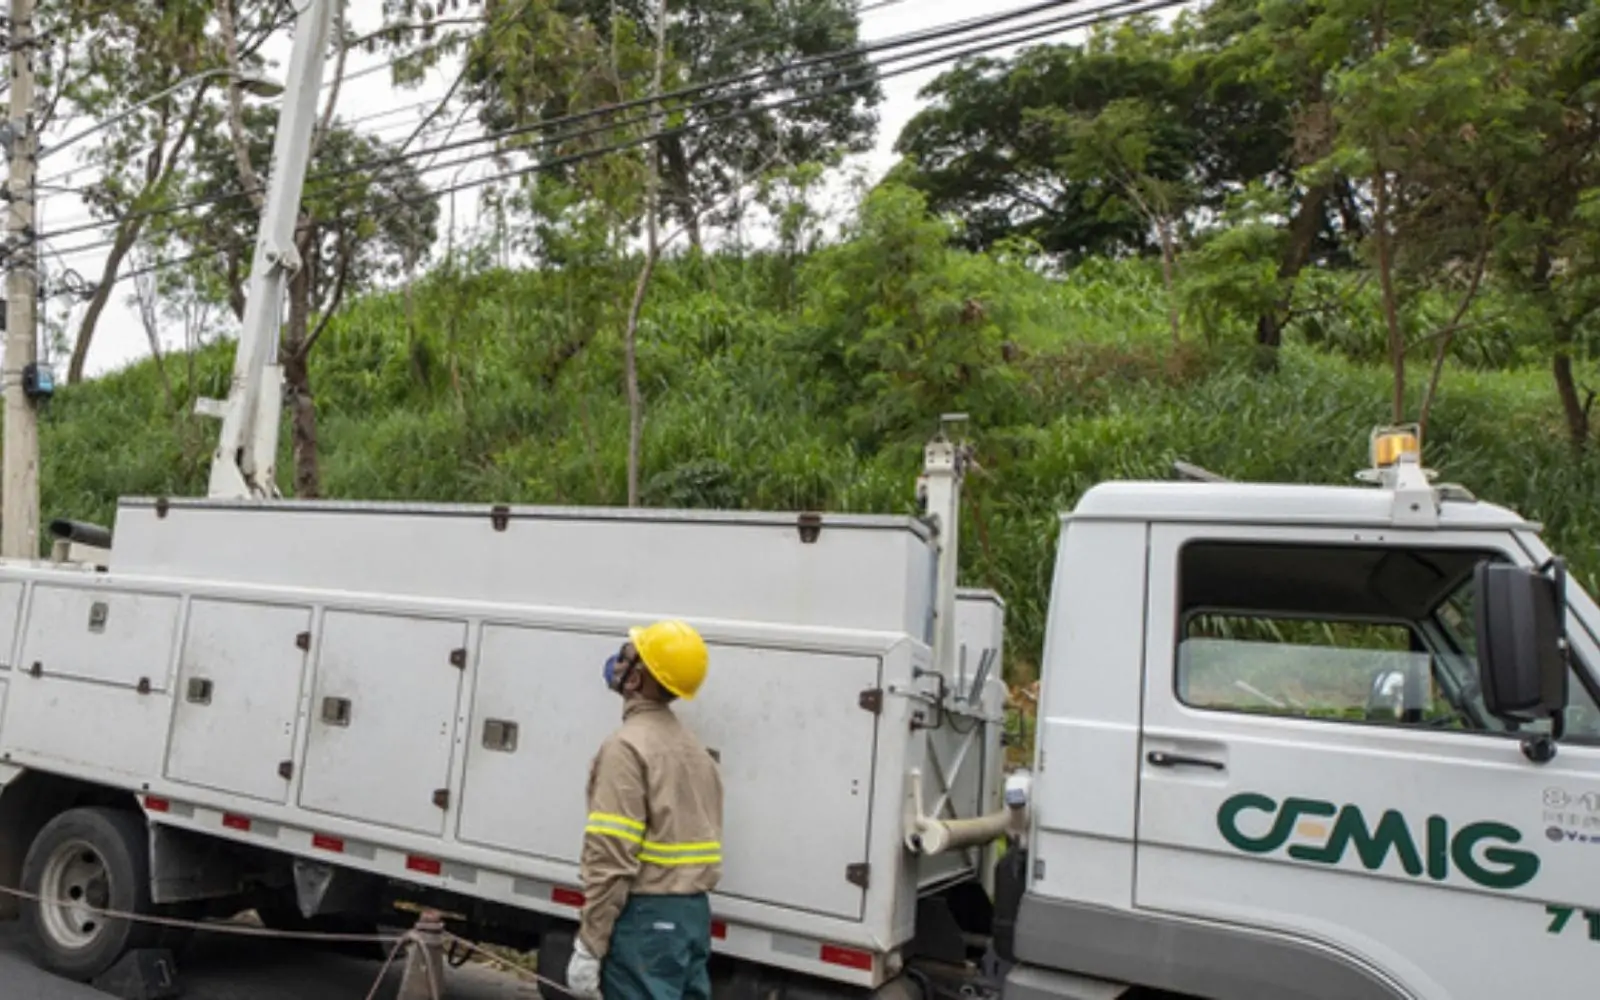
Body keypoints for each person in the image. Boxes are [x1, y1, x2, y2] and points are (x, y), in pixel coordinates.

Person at [567, 619, 724, 1000]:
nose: (617, 662)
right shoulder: (694, 749)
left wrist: (590, 944)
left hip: (646, 922)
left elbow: (611, 857)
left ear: (637, 679)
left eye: (626, 656)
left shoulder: (626, 748)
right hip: (692, 918)